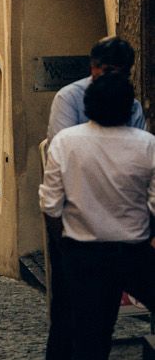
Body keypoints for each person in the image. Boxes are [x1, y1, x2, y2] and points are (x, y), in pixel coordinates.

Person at [39, 72, 155, 360]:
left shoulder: (66, 143)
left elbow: (51, 205)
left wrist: (65, 247)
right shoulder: (147, 145)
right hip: (134, 251)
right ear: (128, 107)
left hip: (84, 253)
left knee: (91, 336)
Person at [47, 37, 145, 141]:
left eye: (123, 73)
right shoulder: (69, 98)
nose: (115, 78)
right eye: (109, 71)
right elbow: (63, 147)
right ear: (94, 67)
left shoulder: (133, 105)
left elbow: (140, 146)